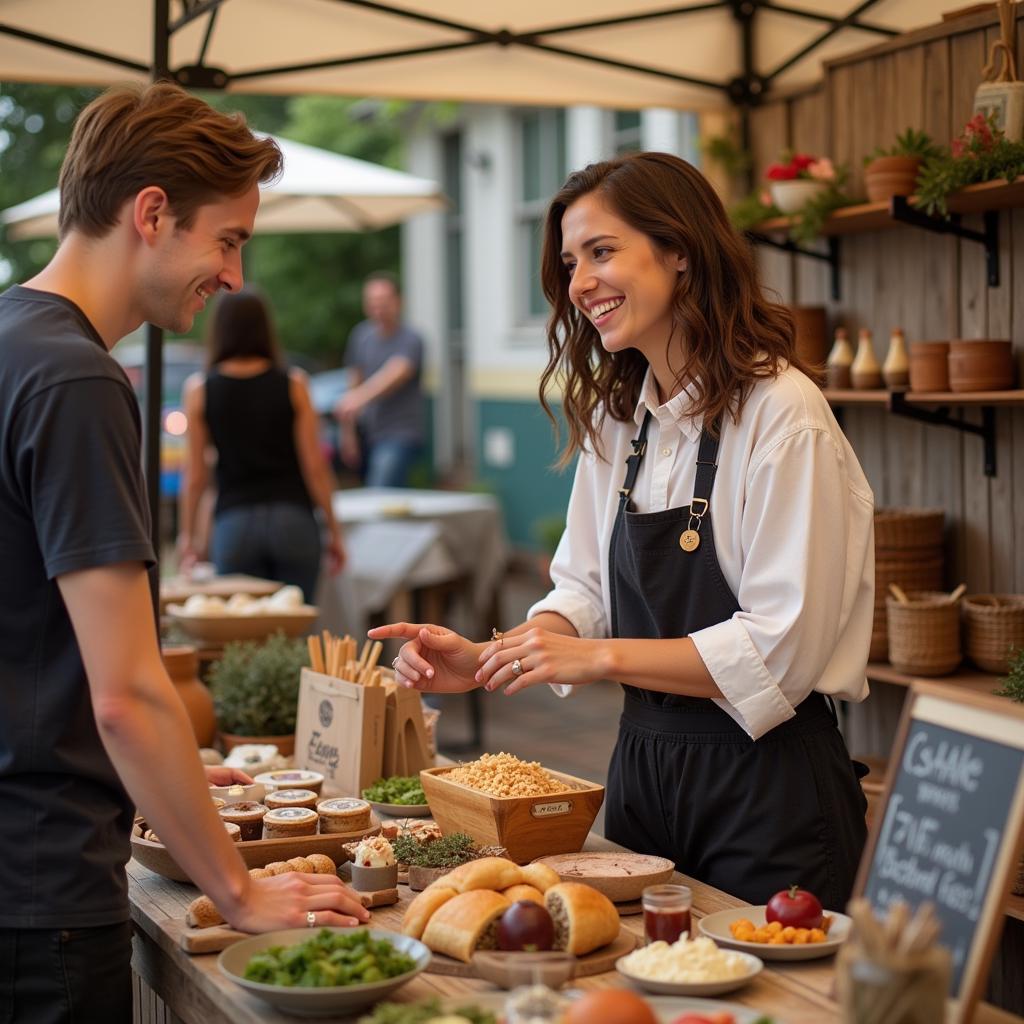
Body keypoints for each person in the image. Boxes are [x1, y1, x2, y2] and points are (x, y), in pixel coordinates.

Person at [371, 152, 874, 909]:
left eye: (602, 252)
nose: (579, 283)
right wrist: (490, 659)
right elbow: (580, 590)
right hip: (643, 770)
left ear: (680, 251)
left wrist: (596, 656)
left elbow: (780, 652)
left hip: (768, 787)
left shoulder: (784, 417)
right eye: (572, 262)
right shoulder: (619, 421)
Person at [0, 82, 368, 1024]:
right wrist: (242, 893)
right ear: (152, 213)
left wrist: (165, 775)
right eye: (229, 239)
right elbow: (124, 692)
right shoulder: (78, 377)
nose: (235, 277)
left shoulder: (11, 338)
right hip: (41, 893)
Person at [177, 288, 345, 602]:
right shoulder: (294, 384)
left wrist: (188, 537)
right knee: (293, 631)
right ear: (265, 329)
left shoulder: (200, 390)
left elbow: (196, 475)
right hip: (293, 519)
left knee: (240, 637)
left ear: (219, 329)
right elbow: (314, 466)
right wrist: (334, 531)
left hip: (233, 523)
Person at [335, 271, 425, 487]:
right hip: (368, 432)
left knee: (380, 488)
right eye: (373, 302)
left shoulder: (411, 339)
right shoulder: (361, 336)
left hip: (400, 432)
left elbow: (396, 373)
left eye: (384, 301)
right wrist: (348, 435)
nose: (379, 308)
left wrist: (358, 398)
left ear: (398, 302)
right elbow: (353, 381)